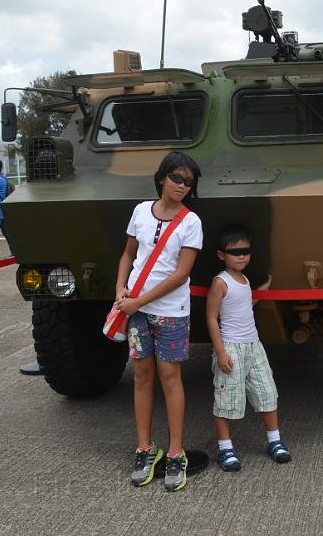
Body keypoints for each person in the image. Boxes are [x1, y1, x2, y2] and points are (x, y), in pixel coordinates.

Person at [115, 151, 203, 492]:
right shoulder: (141, 211)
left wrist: (138, 301)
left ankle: (176, 452)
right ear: (162, 178)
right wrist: (120, 289)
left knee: (170, 378)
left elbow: (181, 274)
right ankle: (145, 448)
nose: (181, 186)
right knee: (141, 375)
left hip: (170, 312)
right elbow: (128, 254)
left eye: (188, 182)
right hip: (137, 310)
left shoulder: (191, 222)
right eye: (176, 178)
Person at [206, 224, 290, 472]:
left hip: (253, 345)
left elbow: (244, 304)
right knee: (226, 399)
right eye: (235, 252)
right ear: (221, 255)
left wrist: (260, 292)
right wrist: (220, 351)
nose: (241, 256)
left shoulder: (243, 280)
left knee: (267, 392)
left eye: (246, 251)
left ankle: (274, 441)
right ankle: (225, 447)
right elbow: (211, 317)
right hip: (231, 347)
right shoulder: (220, 282)